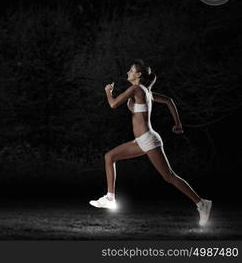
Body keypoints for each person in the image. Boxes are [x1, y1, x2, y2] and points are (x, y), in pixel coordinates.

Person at [89, 59, 212, 226]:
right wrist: (178, 124)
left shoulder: (136, 89)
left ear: (138, 74)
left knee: (169, 176)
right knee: (109, 157)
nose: (127, 73)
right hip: (141, 140)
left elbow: (112, 104)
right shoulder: (145, 91)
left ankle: (201, 203)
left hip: (148, 139)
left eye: (131, 70)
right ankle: (110, 198)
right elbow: (169, 100)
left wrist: (108, 91)